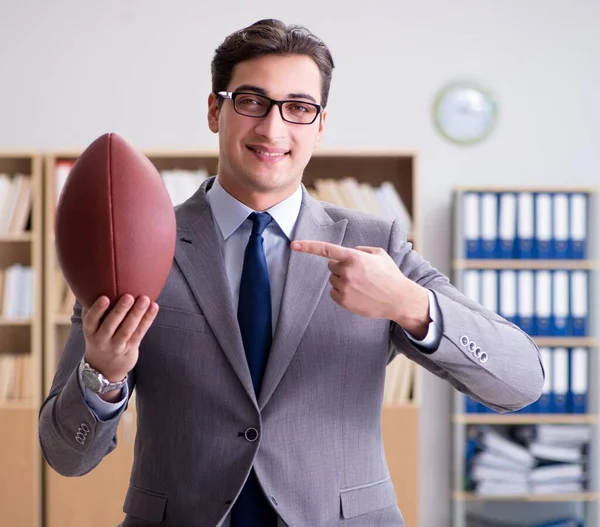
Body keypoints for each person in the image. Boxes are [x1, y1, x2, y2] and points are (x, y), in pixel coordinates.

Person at [38, 18, 544, 527]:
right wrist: (101, 374)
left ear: (320, 125)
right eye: (251, 101)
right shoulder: (134, 251)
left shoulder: (377, 246)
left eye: (299, 108)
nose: (272, 128)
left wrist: (409, 304)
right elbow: (67, 455)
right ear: (216, 111)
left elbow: (519, 382)